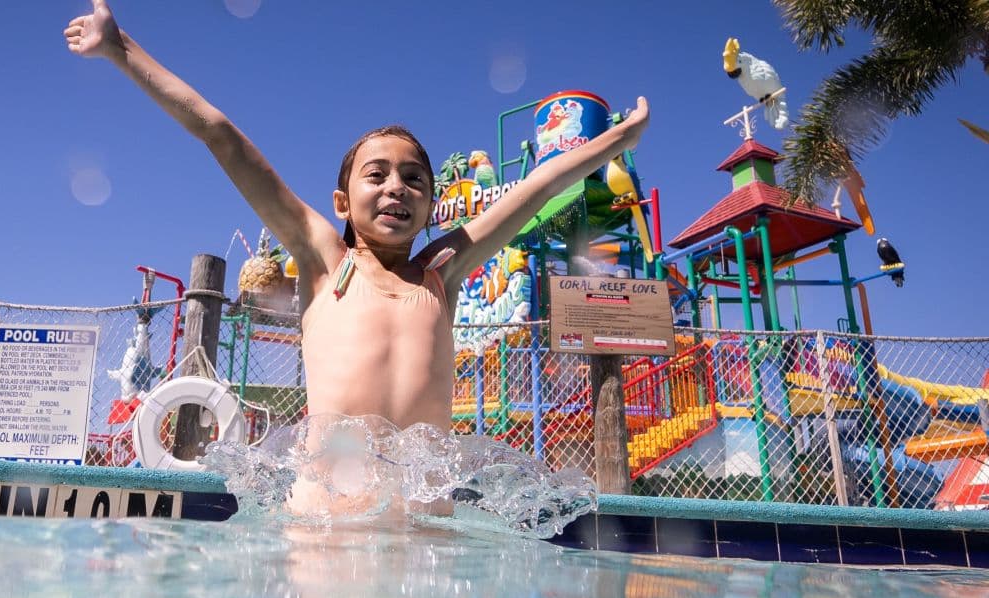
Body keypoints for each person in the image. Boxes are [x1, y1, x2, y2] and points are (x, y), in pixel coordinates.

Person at [66, 0, 648, 516]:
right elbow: (220, 134)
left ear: (430, 206)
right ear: (342, 202)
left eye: (414, 179)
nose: (396, 186)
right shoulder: (326, 262)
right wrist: (121, 49)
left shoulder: (440, 272)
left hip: (426, 537)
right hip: (324, 529)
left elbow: (536, 190)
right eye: (377, 174)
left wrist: (612, 142)